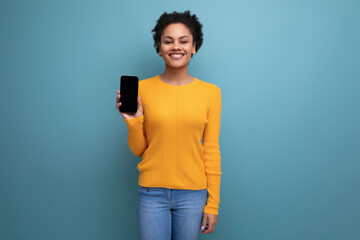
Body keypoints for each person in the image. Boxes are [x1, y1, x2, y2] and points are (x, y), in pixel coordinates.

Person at [116, 10, 222, 240]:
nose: (176, 47)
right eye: (168, 41)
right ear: (159, 47)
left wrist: (212, 204)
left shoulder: (211, 93)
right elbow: (138, 150)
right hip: (151, 193)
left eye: (183, 41)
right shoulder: (142, 90)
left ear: (194, 47)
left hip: (193, 195)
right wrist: (133, 122)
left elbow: (211, 150)